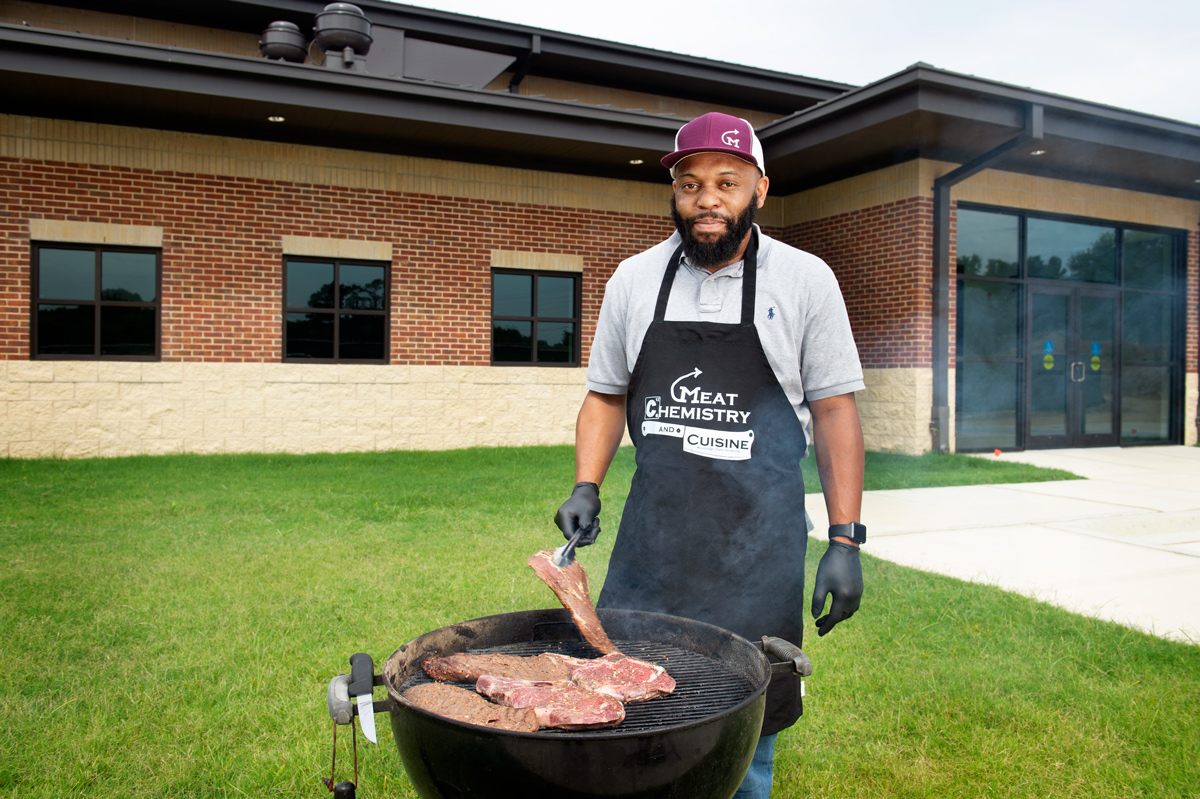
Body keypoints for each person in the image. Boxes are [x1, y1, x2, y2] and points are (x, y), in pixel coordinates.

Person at [554, 111, 866, 799]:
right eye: (691, 184)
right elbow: (606, 396)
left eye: (726, 182)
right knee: (629, 716)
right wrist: (586, 484)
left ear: (759, 187)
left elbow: (835, 409)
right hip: (652, 543)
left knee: (745, 736)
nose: (707, 199)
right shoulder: (634, 280)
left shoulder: (806, 280)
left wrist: (846, 539)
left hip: (758, 548)